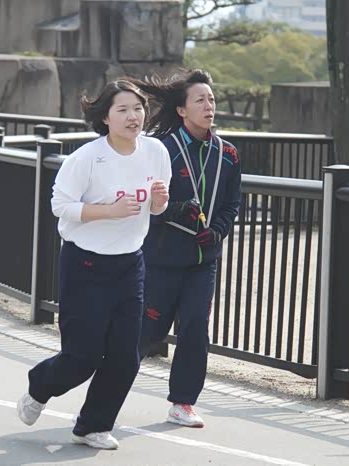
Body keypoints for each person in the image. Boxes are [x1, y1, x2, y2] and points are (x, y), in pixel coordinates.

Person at [17, 80, 171, 450]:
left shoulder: (155, 151)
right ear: (105, 117)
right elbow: (60, 206)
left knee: (126, 357)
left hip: (129, 264)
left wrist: (159, 202)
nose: (133, 116)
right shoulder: (87, 157)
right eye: (123, 109)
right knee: (82, 357)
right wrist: (109, 211)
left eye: (138, 108)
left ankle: (93, 426)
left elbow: (156, 208)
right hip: (84, 264)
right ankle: (40, 386)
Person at [129, 70, 241, 428]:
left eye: (211, 99)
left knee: (195, 328)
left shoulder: (228, 153)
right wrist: (176, 210)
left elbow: (232, 204)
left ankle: (183, 403)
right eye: (200, 100)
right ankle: (107, 390)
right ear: (181, 110)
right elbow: (142, 201)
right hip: (161, 258)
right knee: (147, 332)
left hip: (203, 261)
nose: (209, 106)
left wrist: (217, 232)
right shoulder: (160, 149)